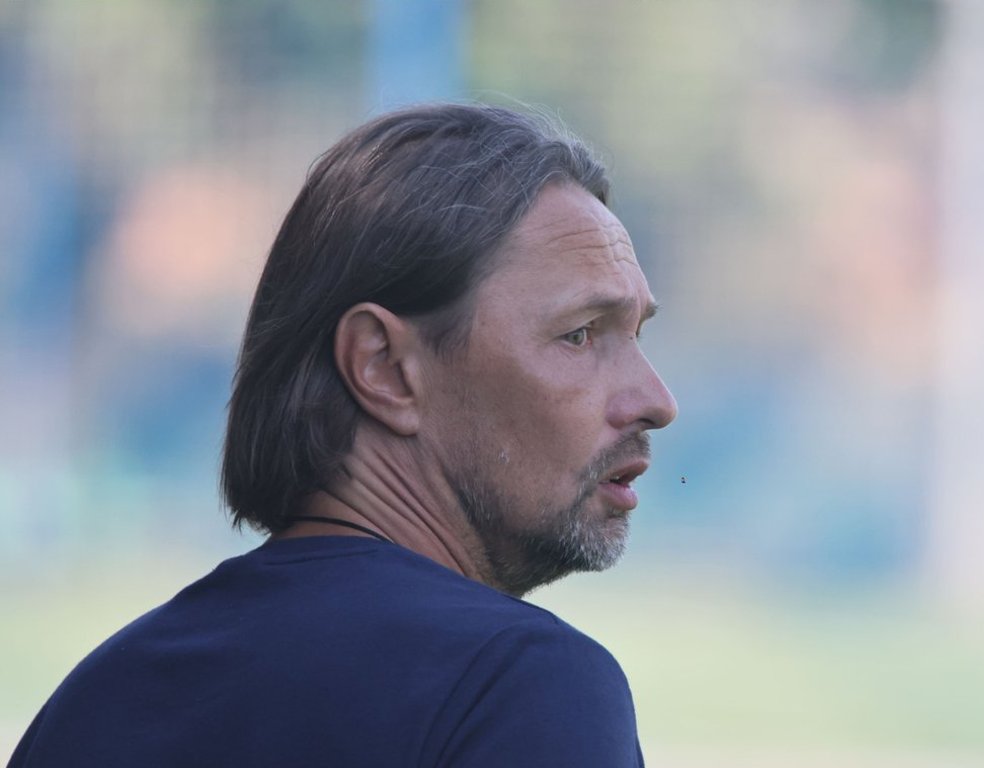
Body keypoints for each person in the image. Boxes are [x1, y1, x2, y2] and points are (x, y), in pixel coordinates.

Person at [9, 103, 677, 767]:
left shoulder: (96, 698)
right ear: (383, 367)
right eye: (579, 334)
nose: (657, 402)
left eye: (636, 335)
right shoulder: (519, 684)